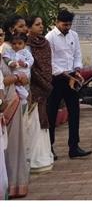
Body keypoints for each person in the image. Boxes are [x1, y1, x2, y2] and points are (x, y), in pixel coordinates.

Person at [46, 9, 91, 158]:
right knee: (51, 114)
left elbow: (77, 54)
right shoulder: (50, 38)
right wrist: (65, 75)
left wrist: (77, 69)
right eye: (64, 24)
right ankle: (49, 148)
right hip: (57, 79)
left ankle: (74, 147)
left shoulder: (74, 35)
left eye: (69, 24)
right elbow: (50, 62)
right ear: (57, 22)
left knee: (75, 113)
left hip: (72, 77)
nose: (67, 27)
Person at [25, 15, 55, 172]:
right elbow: (32, 69)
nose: (41, 26)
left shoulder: (44, 43)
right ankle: (35, 161)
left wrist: (48, 82)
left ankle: (44, 158)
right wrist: (44, 84)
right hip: (34, 89)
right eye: (37, 24)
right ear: (29, 28)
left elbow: (47, 65)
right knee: (34, 123)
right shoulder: (25, 45)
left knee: (43, 121)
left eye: (42, 24)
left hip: (46, 86)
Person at [1, 54, 30, 197]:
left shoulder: (5, 56)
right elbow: (2, 81)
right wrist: (17, 78)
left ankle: (14, 185)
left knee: (14, 147)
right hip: (4, 107)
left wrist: (18, 79)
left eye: (1, 34)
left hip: (12, 101)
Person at [2, 33, 33, 104]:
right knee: (16, 86)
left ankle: (24, 97)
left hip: (24, 72)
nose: (17, 45)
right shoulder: (9, 51)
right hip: (14, 72)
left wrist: (25, 64)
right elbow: (5, 57)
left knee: (22, 86)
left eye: (20, 43)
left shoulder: (26, 52)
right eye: (14, 43)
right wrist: (10, 62)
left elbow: (31, 60)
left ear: (24, 44)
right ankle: (22, 98)